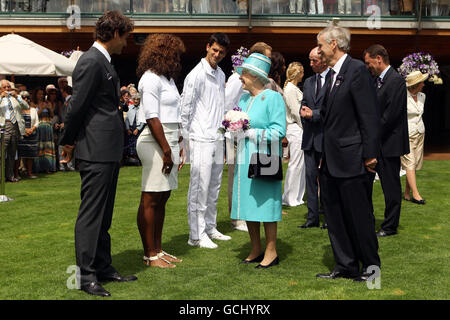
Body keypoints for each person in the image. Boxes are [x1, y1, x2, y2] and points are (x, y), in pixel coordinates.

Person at [59, 10, 136, 297]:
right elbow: (76, 107)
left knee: (103, 215)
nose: (126, 43)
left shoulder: (102, 61)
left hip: (107, 149)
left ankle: (103, 267)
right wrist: (67, 142)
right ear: (115, 33)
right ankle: (85, 276)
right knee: (92, 214)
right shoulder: (91, 61)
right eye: (125, 37)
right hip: (95, 149)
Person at [316, 26, 381, 281]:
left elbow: (369, 116)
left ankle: (371, 270)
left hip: (353, 159)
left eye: (321, 45)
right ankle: (345, 265)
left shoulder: (356, 71)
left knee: (359, 218)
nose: (318, 50)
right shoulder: (331, 75)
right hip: (330, 160)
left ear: (334, 44)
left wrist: (370, 154)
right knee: (334, 215)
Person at [135, 33, 186, 268]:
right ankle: (150, 254)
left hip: (170, 140)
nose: (177, 58)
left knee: (163, 197)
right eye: (174, 53)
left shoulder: (168, 79)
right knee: (151, 198)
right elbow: (152, 116)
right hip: (155, 141)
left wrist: (179, 145)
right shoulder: (149, 79)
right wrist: (167, 149)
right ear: (163, 53)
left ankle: (158, 249)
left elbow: (174, 114)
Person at [231, 53, 286, 268]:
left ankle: (271, 251)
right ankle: (255, 248)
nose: (240, 77)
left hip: (265, 158)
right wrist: (233, 130)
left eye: (243, 73)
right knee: (248, 204)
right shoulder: (244, 99)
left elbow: (279, 131)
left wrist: (253, 133)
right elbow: (240, 125)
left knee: (266, 205)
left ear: (254, 76)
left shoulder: (273, 98)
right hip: (245, 158)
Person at [181, 32, 232, 249]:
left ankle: (210, 227)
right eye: (215, 50)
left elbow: (221, 106)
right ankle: (196, 234)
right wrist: (185, 142)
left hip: (217, 137)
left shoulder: (220, 74)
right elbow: (185, 110)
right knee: (199, 187)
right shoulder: (195, 75)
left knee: (214, 186)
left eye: (221, 52)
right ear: (207, 47)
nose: (217, 54)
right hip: (200, 138)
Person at [225, 42, 272, 233]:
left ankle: (252, 211)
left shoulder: (265, 90)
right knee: (235, 174)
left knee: (252, 173)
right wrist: (233, 121)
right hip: (235, 134)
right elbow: (228, 102)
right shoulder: (238, 79)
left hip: (251, 135)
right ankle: (236, 216)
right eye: (266, 57)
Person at [363, 44, 410, 237]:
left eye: (369, 63)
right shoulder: (376, 81)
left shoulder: (396, 81)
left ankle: (390, 226)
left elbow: (390, 116)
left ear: (379, 59)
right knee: (365, 185)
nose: (368, 67)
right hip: (375, 144)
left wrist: (370, 135)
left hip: (389, 145)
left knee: (390, 188)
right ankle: (367, 221)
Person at [299, 47, 330, 229]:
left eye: (314, 61)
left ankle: (328, 216)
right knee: (310, 178)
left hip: (326, 138)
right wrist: (303, 111)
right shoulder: (309, 82)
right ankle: (312, 218)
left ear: (324, 61)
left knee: (326, 179)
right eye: (309, 60)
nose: (310, 64)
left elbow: (333, 110)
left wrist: (314, 114)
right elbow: (304, 103)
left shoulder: (334, 81)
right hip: (309, 138)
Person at [401, 70, 429, 205]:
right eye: (421, 82)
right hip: (407, 134)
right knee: (409, 163)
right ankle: (416, 194)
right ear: (415, 84)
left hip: (420, 133)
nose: (423, 84)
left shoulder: (422, 96)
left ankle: (407, 193)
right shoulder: (402, 97)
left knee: (414, 164)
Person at [281, 62, 306, 208]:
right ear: (298, 74)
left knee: (300, 164)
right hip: (295, 128)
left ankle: (297, 196)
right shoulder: (290, 89)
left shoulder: (293, 88)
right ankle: (290, 197)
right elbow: (296, 111)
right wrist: (305, 127)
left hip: (298, 128)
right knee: (295, 163)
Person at [0, 80, 29, 182]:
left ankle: (10, 175)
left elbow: (26, 106)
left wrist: (17, 97)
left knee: (12, 153)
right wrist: (1, 97)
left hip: (15, 125)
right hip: (4, 126)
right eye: (5, 87)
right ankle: (1, 176)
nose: (7, 89)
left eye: (9, 87)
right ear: (1, 89)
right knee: (2, 152)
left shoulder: (15, 98)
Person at [33, 86, 56, 173]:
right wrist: (42, 108)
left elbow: (52, 115)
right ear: (36, 95)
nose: (41, 96)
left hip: (47, 126)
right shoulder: (33, 104)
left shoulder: (47, 103)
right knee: (40, 146)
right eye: (39, 94)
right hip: (39, 126)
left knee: (47, 147)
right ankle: (39, 167)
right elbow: (35, 115)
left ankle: (48, 167)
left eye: (42, 94)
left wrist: (49, 108)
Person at [17, 90, 39, 179]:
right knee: (19, 154)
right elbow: (17, 121)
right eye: (23, 97)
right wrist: (24, 130)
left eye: (27, 97)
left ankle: (29, 173)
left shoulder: (33, 110)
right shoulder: (18, 110)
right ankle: (17, 173)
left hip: (32, 134)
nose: (25, 99)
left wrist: (31, 129)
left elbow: (37, 122)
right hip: (21, 134)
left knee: (30, 155)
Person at [125, 93, 145, 165]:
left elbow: (143, 120)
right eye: (134, 99)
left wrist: (138, 129)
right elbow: (126, 119)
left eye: (137, 99)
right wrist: (127, 129)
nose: (136, 101)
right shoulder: (129, 107)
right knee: (130, 143)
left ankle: (139, 160)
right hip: (130, 128)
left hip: (138, 128)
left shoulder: (142, 108)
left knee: (138, 143)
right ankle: (130, 159)